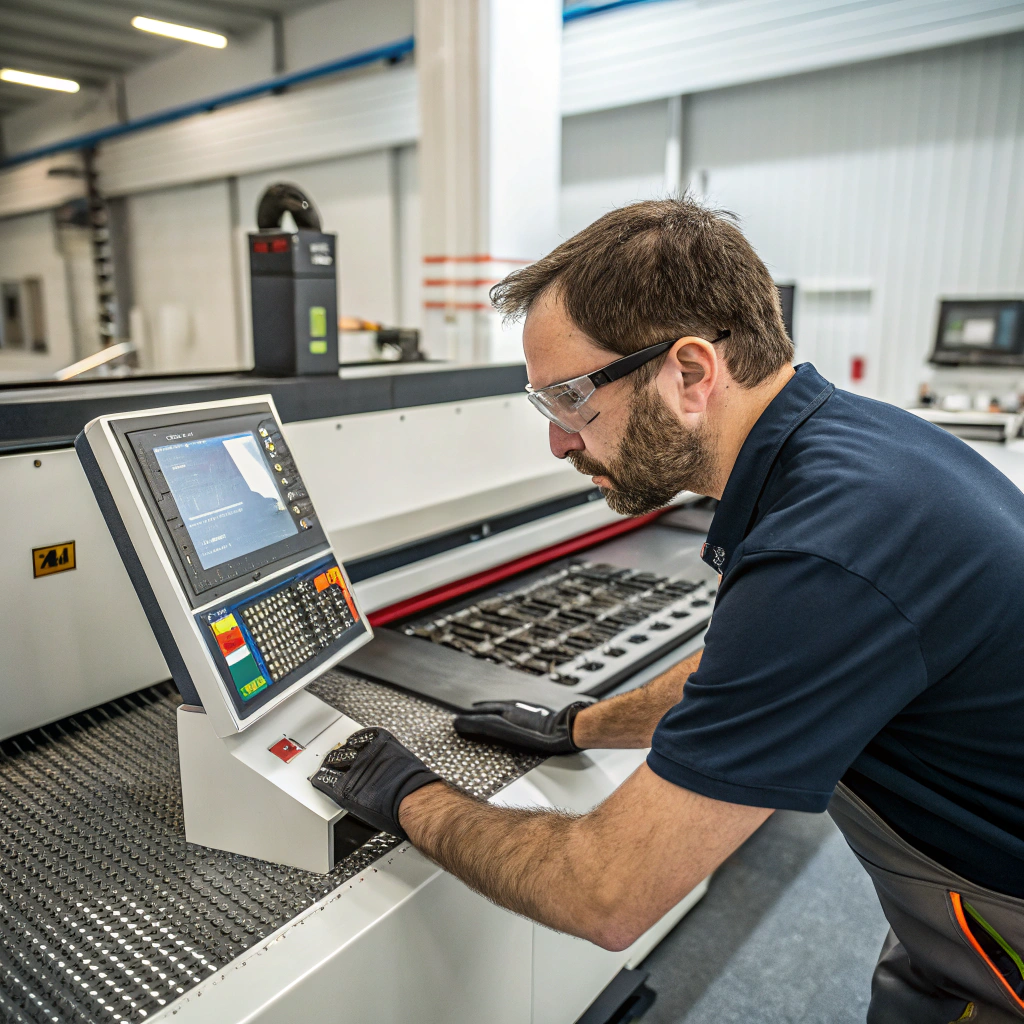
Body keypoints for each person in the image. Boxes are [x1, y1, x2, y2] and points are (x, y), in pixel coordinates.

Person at [312, 197, 1024, 1023]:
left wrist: (409, 795)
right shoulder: (848, 449)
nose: (559, 441)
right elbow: (746, 668)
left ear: (690, 372)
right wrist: (581, 724)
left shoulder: (829, 550)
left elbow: (606, 893)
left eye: (571, 399)